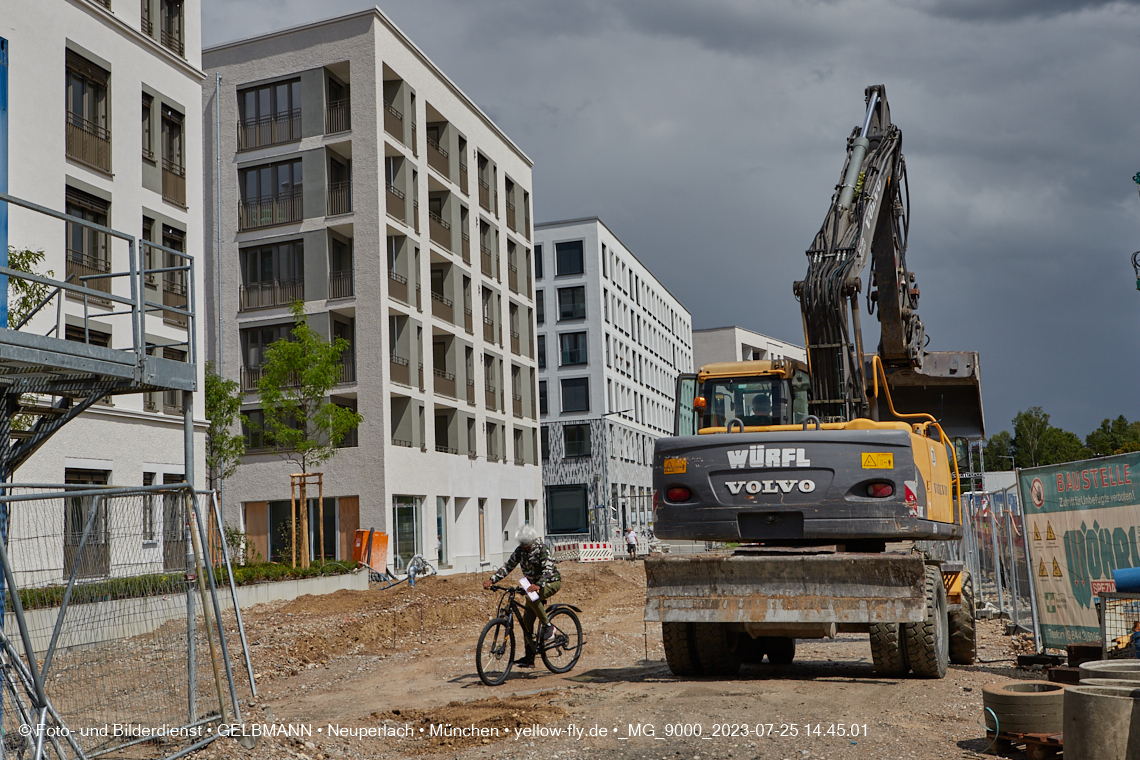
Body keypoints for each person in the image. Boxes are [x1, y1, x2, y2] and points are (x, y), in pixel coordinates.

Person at [483, 524, 561, 668]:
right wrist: (492, 579)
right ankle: (529, 658)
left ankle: (548, 626)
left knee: (530, 597)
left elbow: (548, 568)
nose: (524, 547)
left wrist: (539, 584)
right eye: (522, 544)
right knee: (527, 622)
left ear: (531, 541)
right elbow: (508, 566)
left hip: (550, 582)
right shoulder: (520, 551)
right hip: (531, 585)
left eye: (526, 544)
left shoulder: (541, 548)